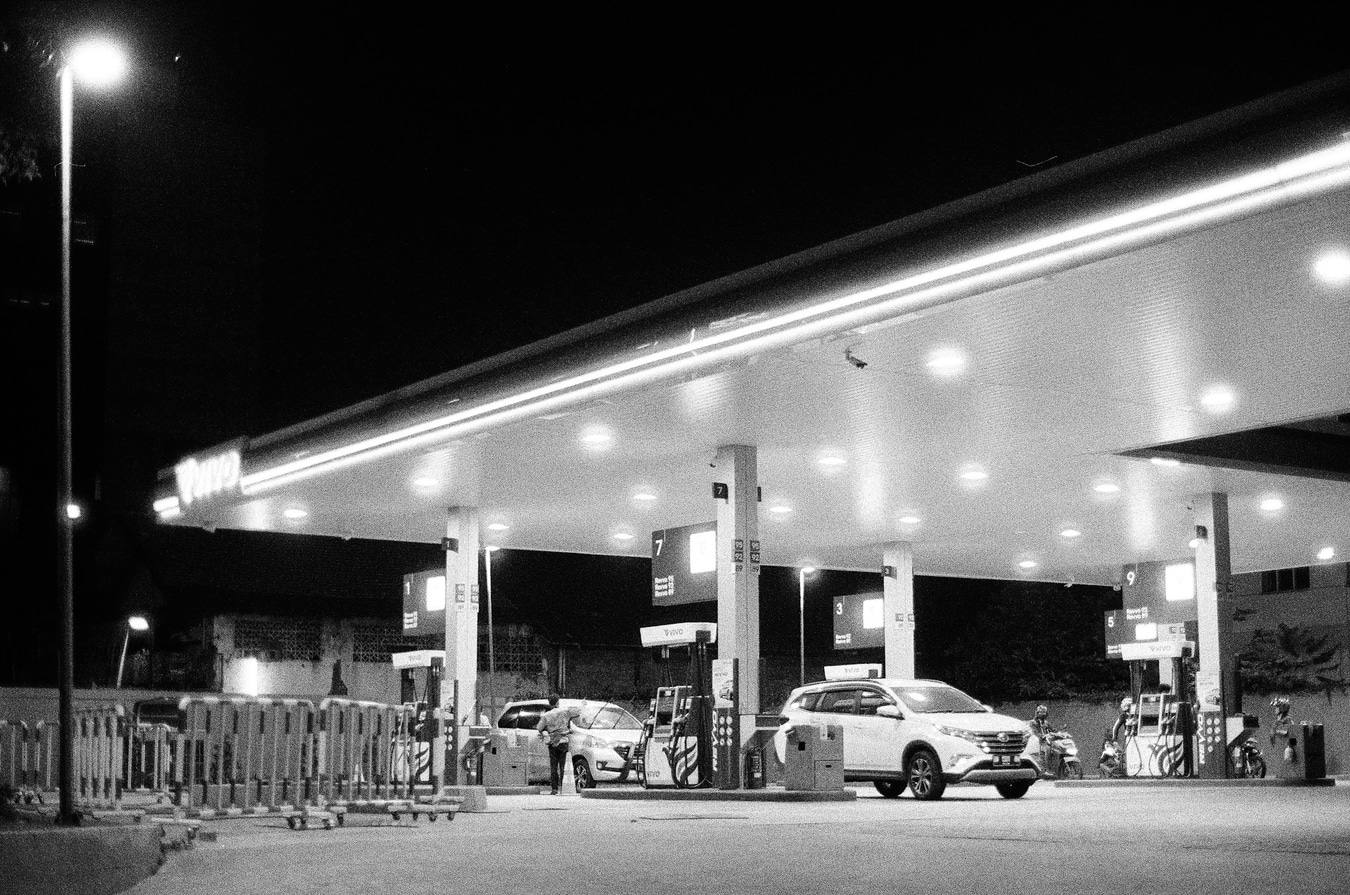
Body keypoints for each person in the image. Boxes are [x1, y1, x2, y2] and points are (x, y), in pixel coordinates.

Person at [536, 695, 580, 795]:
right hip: (563, 741)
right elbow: (577, 713)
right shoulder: (564, 712)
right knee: (564, 766)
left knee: (553, 766)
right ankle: (564, 787)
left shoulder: (546, 715)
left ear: (549, 703)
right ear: (557, 702)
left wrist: (547, 730)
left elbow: (539, 728)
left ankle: (554, 789)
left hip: (552, 742)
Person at [1028, 705, 1055, 775]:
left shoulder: (1046, 722)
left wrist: (1058, 733)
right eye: (1041, 712)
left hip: (1046, 741)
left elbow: (1053, 730)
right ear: (1037, 713)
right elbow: (1034, 732)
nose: (1043, 714)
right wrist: (1041, 736)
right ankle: (1045, 770)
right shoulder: (1033, 722)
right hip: (1038, 742)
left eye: (1044, 712)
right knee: (1046, 750)